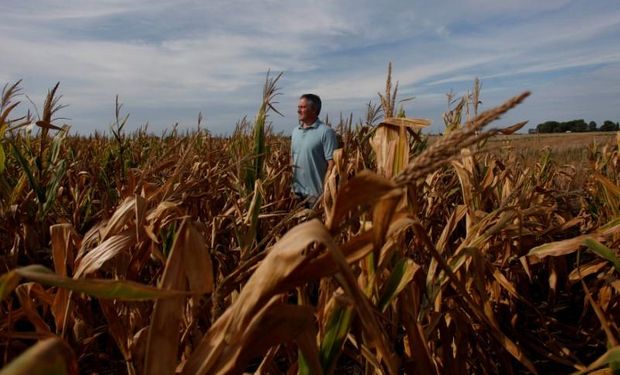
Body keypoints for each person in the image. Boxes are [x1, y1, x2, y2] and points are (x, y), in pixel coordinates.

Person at [291, 93, 338, 208]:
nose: (299, 110)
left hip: (316, 195)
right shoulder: (295, 131)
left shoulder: (326, 132)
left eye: (302, 107)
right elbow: (292, 158)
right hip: (296, 192)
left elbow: (332, 165)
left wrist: (325, 193)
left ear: (314, 110)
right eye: (298, 107)